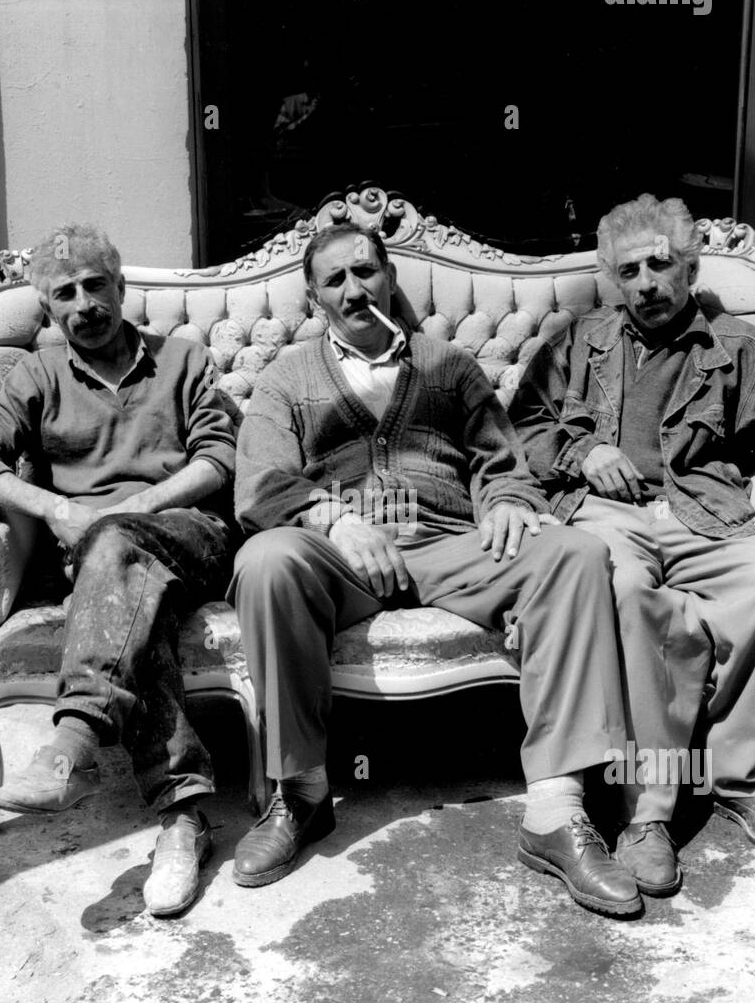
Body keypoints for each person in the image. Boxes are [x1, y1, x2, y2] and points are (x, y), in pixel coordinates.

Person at [228, 222, 640, 917]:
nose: (355, 289)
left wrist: (507, 498)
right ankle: (298, 795)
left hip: (451, 540)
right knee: (267, 559)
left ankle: (556, 809)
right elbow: (259, 486)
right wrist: (335, 517)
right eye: (337, 279)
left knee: (574, 552)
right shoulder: (286, 377)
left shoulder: (448, 364)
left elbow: (500, 459)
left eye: (366, 271)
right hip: (345, 551)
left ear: (391, 277)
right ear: (313, 295)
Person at [512, 194, 755, 895]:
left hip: (708, 512)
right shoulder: (577, 341)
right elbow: (521, 425)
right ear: (611, 277)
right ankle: (647, 813)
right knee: (628, 593)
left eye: (661, 265)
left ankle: (743, 783)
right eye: (630, 270)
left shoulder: (738, 344)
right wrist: (583, 452)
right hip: (607, 513)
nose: (646, 283)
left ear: (690, 266)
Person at [0, 224, 237, 917]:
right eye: (64, 294)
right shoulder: (39, 376)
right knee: (130, 596)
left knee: (114, 549)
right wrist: (53, 509)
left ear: (120, 288)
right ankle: (183, 819)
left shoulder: (182, 361)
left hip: (191, 535)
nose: (83, 304)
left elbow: (218, 458)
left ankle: (69, 743)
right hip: (107, 565)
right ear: (48, 309)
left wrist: (136, 506)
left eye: (95, 285)